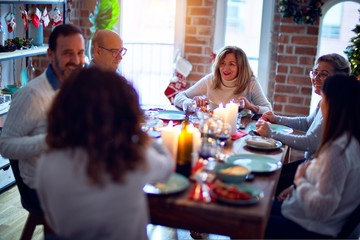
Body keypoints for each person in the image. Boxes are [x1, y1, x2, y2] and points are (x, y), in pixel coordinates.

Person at [35, 68, 174, 240]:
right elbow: (167, 166)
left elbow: (53, 223)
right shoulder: (131, 155)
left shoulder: (48, 162)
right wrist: (145, 138)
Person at [265, 74, 360, 239]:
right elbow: (325, 187)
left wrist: (299, 181)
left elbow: (321, 209)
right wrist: (296, 189)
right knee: (254, 206)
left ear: (334, 104)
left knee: (244, 217)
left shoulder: (338, 150)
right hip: (300, 213)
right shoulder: (349, 141)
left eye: (323, 98)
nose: (321, 104)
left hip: (310, 228)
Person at [0, 24, 85, 190]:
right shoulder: (31, 95)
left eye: (80, 53)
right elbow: (5, 146)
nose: (76, 60)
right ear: (51, 55)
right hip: (45, 187)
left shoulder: (76, 87)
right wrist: (50, 141)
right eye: (68, 53)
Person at [256, 53, 351, 194]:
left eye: (323, 74)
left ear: (338, 79)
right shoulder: (324, 101)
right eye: (315, 72)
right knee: (267, 175)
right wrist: (276, 119)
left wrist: (271, 134)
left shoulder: (335, 108)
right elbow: (307, 122)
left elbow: (310, 142)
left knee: (267, 183)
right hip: (309, 165)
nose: (316, 78)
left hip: (316, 174)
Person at [173, 46, 272, 114]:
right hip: (213, 128)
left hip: (240, 130)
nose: (225, 68)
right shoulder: (211, 80)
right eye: (222, 63)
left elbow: (268, 110)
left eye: (232, 64)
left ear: (241, 67)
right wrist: (193, 103)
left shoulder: (250, 82)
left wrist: (250, 106)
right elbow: (179, 97)